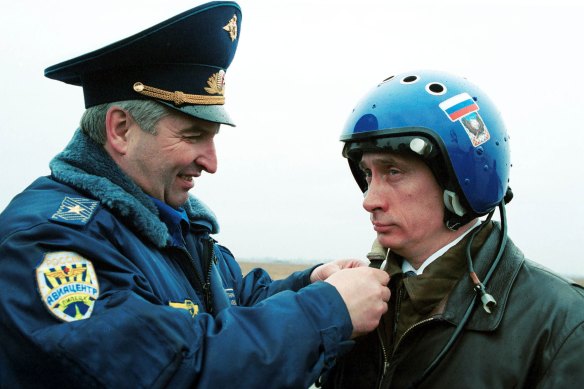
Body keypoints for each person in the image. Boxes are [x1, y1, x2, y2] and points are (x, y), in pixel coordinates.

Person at [0, 2, 391, 388]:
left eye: (213, 140)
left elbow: (228, 302)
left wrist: (310, 284)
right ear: (120, 129)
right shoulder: (49, 242)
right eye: (192, 136)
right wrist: (327, 311)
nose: (211, 162)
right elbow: (170, 370)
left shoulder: (174, 226)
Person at [320, 70, 584, 388]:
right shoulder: (346, 304)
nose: (369, 200)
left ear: (457, 183)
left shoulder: (563, 323)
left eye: (393, 171)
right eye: (367, 174)